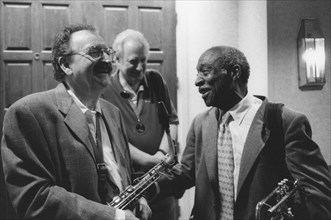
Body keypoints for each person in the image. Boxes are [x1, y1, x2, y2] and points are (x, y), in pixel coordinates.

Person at [154, 46, 331, 220]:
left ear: (234, 72)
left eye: (205, 72)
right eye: (197, 74)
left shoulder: (285, 122)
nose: (197, 81)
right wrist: (151, 189)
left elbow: (316, 193)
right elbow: (186, 172)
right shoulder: (200, 124)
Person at [1, 24, 151, 220]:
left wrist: (138, 199)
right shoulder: (28, 113)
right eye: (95, 52)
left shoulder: (112, 112)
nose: (107, 60)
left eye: (108, 52)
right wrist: (114, 216)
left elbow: (123, 173)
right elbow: (35, 198)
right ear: (65, 64)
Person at [102, 29, 179, 220]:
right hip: (129, 186)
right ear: (117, 60)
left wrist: (162, 155)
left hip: (161, 182)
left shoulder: (155, 80)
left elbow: (172, 121)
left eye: (143, 60)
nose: (140, 67)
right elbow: (111, 137)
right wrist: (148, 160)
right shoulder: (105, 90)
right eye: (133, 61)